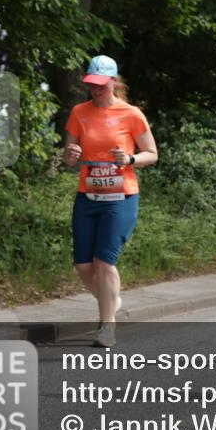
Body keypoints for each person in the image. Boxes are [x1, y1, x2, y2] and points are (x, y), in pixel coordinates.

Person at [63, 55, 158, 348]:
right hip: (88, 196)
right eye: (92, 84)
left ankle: (107, 326)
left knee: (104, 261)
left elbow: (152, 154)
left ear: (114, 82)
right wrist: (71, 155)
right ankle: (111, 301)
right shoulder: (79, 112)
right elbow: (69, 155)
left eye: (101, 84)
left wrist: (129, 159)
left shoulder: (131, 114)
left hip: (121, 197)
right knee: (83, 265)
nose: (96, 89)